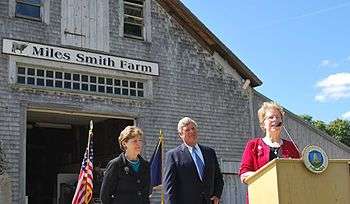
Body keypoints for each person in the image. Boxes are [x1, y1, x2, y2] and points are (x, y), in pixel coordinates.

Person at [239, 101, 300, 203]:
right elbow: (244, 175)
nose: (275, 119)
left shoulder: (292, 146)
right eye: (271, 117)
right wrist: (267, 177)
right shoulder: (253, 145)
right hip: (261, 198)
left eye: (278, 117)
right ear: (263, 123)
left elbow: (299, 173)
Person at [163, 117, 224, 204]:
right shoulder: (173, 155)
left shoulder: (209, 152)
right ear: (181, 134)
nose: (192, 131)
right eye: (187, 130)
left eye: (193, 128)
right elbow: (169, 187)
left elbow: (218, 177)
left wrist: (217, 195)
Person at [100, 126, 150, 204]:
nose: (138, 144)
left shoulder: (145, 165)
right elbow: (105, 196)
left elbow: (146, 193)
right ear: (124, 143)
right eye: (134, 141)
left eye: (140, 140)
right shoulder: (115, 164)